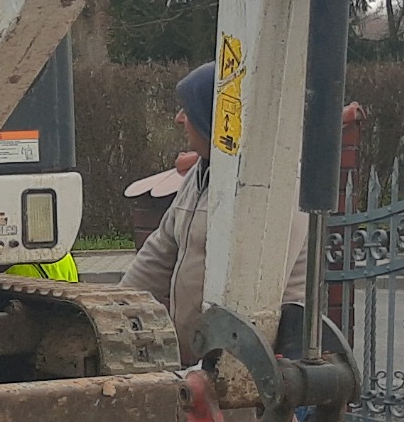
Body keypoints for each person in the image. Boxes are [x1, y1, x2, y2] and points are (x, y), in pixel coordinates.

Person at [121, 62, 304, 361]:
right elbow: (157, 255)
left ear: (213, 120)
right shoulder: (201, 173)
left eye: (188, 111)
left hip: (251, 372)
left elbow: (255, 294)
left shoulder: (270, 186)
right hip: (198, 363)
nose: (180, 118)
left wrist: (220, 369)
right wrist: (113, 310)